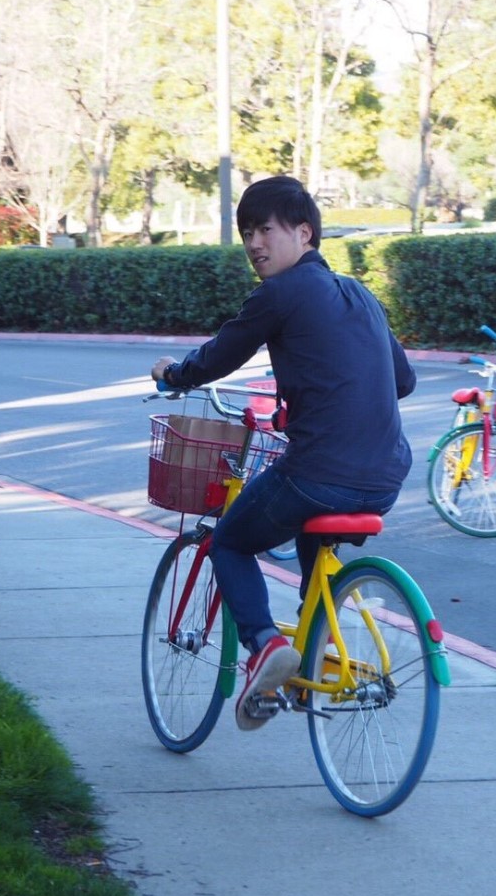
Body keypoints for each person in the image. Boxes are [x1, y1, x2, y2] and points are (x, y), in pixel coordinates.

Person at [151, 175, 416, 731]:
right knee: (312, 542)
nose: (253, 244)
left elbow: (220, 356)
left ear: (305, 233)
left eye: (265, 230)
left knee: (229, 541)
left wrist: (175, 375)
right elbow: (404, 381)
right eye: (247, 232)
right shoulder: (361, 294)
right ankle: (313, 650)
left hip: (320, 470)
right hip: (387, 473)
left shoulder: (280, 293)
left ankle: (266, 648)